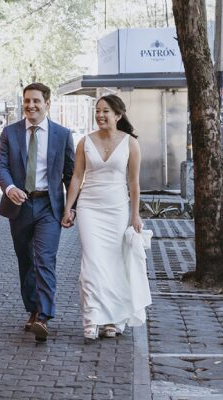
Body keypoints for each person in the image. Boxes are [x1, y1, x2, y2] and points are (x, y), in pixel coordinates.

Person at [62, 94, 147, 341]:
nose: (100, 115)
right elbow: (76, 177)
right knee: (91, 264)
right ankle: (91, 319)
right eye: (97, 111)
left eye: (105, 111)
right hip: (90, 207)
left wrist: (135, 215)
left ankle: (114, 319)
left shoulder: (130, 143)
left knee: (115, 264)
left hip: (118, 209)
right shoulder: (84, 142)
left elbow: (134, 183)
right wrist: (69, 208)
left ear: (118, 115)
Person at [0, 82, 75, 342]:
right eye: (27, 100)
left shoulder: (62, 135)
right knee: (26, 261)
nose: (31, 105)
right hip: (19, 205)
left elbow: (71, 175)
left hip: (49, 206)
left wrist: (71, 208)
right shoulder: (10, 132)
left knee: (44, 260)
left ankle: (44, 316)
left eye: (36, 101)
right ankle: (32, 309)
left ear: (47, 103)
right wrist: (9, 189)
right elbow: (1, 166)